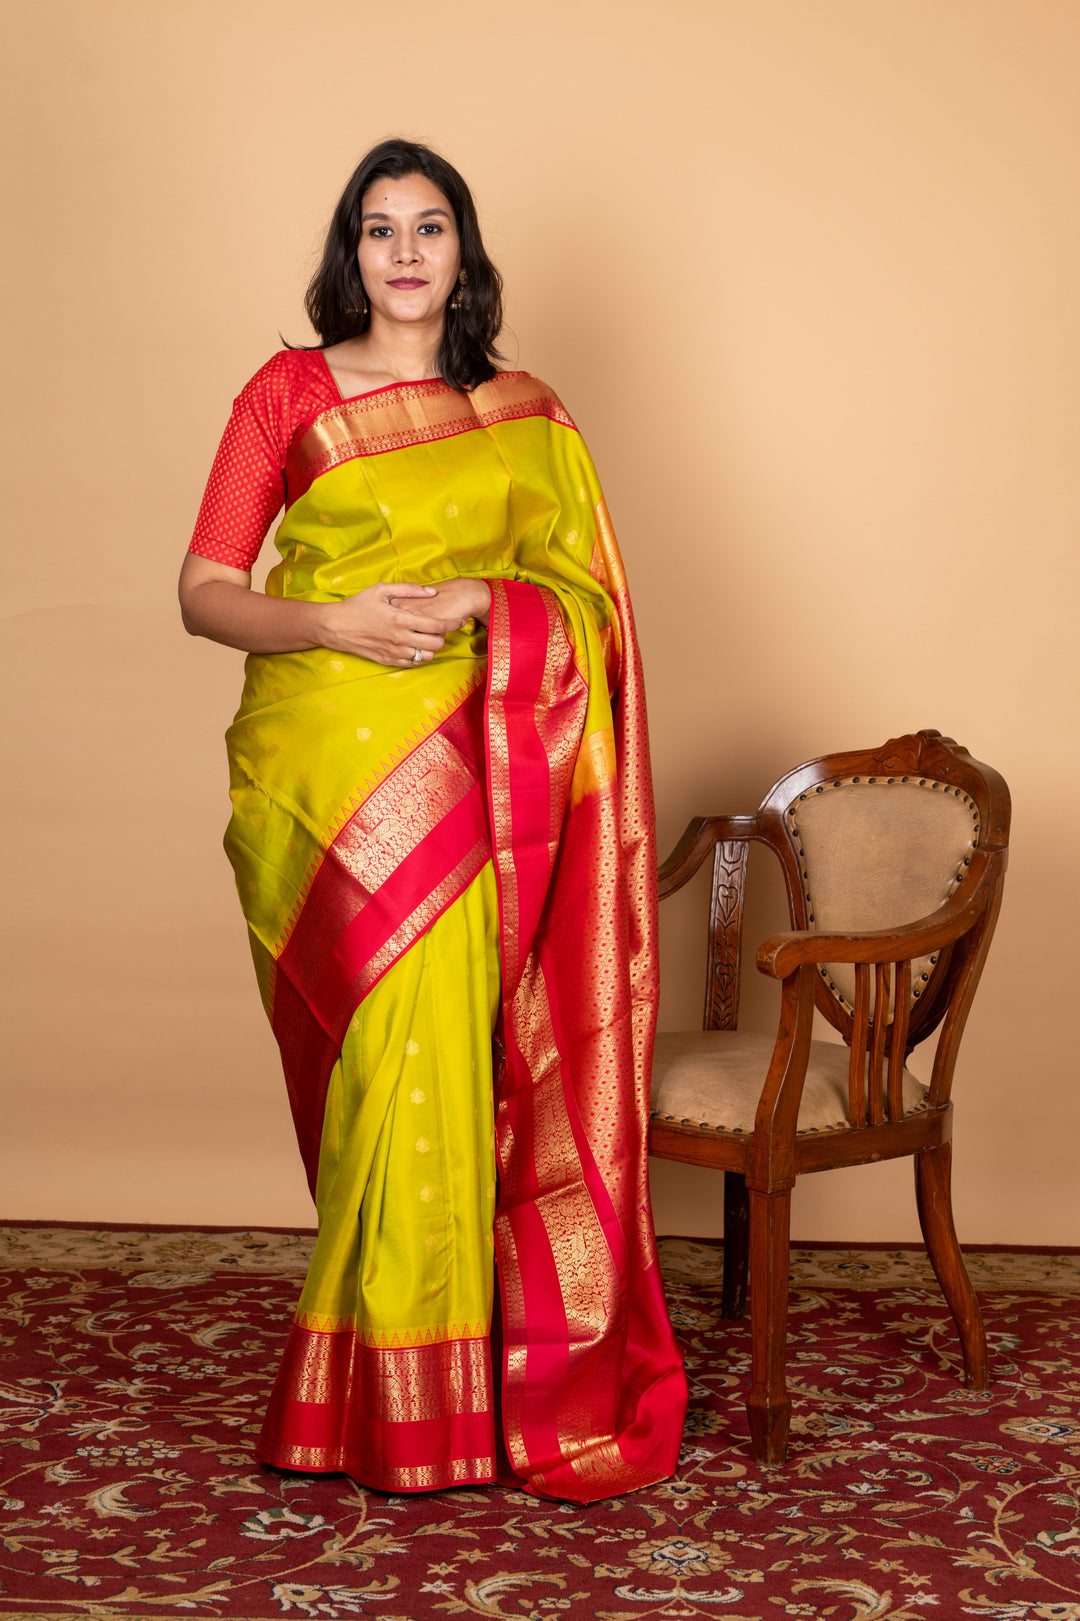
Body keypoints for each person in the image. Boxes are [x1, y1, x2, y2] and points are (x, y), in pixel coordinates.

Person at [179, 138, 686, 1503]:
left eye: (430, 227)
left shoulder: (527, 413)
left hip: (488, 763)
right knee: (382, 1061)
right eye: (379, 229)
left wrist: (483, 603)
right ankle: (392, 1387)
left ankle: (424, 1397)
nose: (405, 253)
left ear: (465, 252)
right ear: (349, 254)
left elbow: (592, 608)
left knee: (451, 1052)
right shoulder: (287, 393)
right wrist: (332, 621)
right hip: (329, 765)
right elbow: (205, 587)